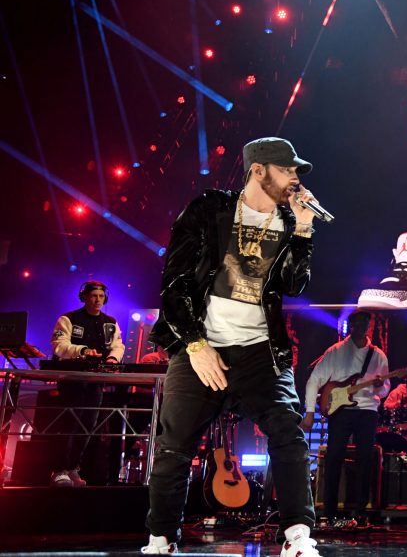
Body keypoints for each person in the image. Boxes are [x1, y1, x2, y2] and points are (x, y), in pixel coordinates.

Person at [142, 137, 322, 557]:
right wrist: (196, 345)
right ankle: (161, 538)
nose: (295, 177)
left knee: (288, 434)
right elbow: (174, 284)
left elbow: (295, 285)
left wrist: (304, 229)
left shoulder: (288, 217)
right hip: (202, 346)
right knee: (174, 445)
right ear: (258, 169)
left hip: (261, 349)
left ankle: (298, 536)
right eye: (287, 168)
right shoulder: (210, 209)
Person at [302, 310, 390, 527]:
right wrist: (310, 413)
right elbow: (314, 381)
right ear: (351, 325)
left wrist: (381, 386)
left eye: (366, 322)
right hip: (340, 410)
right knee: (333, 459)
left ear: (370, 325)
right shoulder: (336, 351)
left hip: (367, 410)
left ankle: (361, 512)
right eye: (358, 322)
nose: (362, 326)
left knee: (365, 460)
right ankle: (329, 512)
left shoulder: (378, 355)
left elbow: (386, 390)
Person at [48, 280, 124, 487]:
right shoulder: (68, 318)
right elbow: (58, 345)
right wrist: (82, 351)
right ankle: (59, 470)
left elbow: (118, 345)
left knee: (88, 425)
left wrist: (113, 359)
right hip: (72, 379)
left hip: (96, 380)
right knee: (70, 423)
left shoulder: (110, 321)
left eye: (101, 296)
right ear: (84, 297)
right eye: (93, 296)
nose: (97, 300)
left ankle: (72, 468)